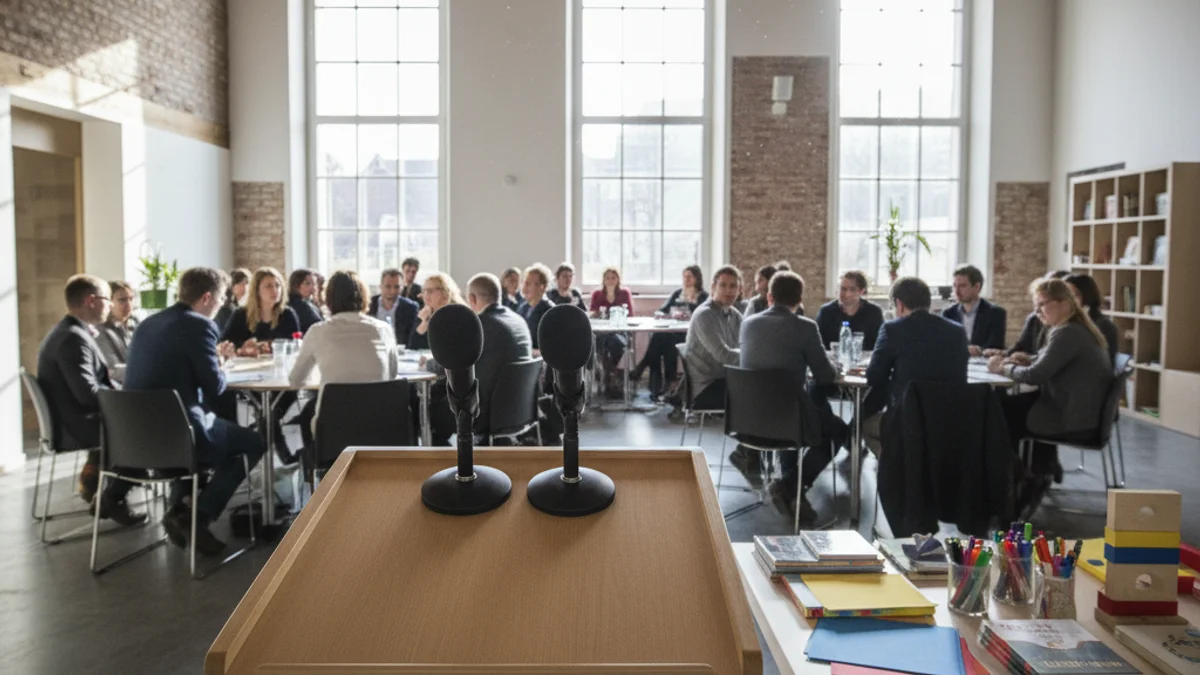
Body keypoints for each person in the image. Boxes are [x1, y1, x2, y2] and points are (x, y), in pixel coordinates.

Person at [124, 267, 264, 555]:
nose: (224, 304)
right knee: (254, 442)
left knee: (193, 430)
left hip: (135, 438)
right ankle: (198, 517)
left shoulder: (147, 323)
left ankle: (179, 510)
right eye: (223, 298)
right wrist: (222, 364)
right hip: (182, 434)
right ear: (206, 297)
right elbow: (214, 387)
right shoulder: (199, 326)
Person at [36, 275, 146, 525]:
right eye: (108, 300)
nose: (110, 307)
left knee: (143, 424)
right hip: (78, 424)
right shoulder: (72, 339)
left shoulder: (70, 332)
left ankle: (101, 485)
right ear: (91, 301)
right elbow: (87, 394)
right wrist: (129, 402)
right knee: (149, 434)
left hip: (71, 418)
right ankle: (111, 498)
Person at [738, 271, 843, 522]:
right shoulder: (805, 327)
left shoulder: (748, 323)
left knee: (796, 410)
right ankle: (791, 485)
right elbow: (825, 376)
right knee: (839, 430)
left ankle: (790, 488)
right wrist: (834, 366)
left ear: (769, 296)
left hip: (747, 420)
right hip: (787, 420)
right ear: (800, 299)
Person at [988, 279, 1112, 489]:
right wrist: (1029, 358)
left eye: (1042, 304)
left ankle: (1013, 481)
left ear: (1064, 303)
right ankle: (1031, 471)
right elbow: (1050, 361)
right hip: (1080, 411)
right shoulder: (1074, 327)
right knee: (1004, 407)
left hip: (1069, 417)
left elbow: (1036, 376)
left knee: (996, 412)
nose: (1037, 312)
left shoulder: (1067, 333)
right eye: (1035, 307)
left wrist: (1003, 368)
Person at [290, 270, 399, 454]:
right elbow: (391, 375)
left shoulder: (318, 331)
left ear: (329, 299)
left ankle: (317, 471)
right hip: (380, 426)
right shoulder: (384, 330)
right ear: (364, 296)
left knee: (309, 412)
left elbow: (296, 381)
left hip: (334, 429)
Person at [862, 277, 969, 455]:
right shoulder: (957, 331)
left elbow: (873, 377)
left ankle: (899, 472)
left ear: (899, 304)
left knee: (864, 427)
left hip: (908, 420)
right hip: (952, 419)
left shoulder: (892, 329)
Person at [424, 273, 533, 444]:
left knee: (425, 406)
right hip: (520, 409)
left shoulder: (478, 325)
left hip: (483, 411)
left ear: (472, 299)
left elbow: (448, 362)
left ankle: (442, 464)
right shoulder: (518, 321)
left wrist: (426, 362)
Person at [632, 265, 708, 399]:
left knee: (662, 341)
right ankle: (660, 387)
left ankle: (645, 368)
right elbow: (662, 310)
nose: (686, 279)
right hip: (672, 331)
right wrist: (663, 314)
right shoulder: (677, 293)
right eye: (684, 276)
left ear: (697, 278)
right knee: (660, 339)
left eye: (689, 277)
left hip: (690, 334)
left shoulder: (703, 296)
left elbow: (701, 316)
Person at [680, 266, 743, 411]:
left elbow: (746, 346)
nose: (728, 291)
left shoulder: (735, 314)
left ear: (739, 290)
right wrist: (756, 358)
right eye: (723, 285)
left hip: (726, 379)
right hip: (706, 388)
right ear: (713, 287)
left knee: (769, 386)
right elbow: (724, 355)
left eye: (733, 286)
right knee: (762, 393)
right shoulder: (705, 315)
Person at [988, 270, 1071, 359]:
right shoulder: (1034, 319)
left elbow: (1049, 361)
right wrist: (1002, 354)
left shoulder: (1070, 329)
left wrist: (1026, 360)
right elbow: (1021, 347)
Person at [221, 267, 302, 353]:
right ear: (256, 290)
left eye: (277, 286)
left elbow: (296, 345)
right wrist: (243, 346)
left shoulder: (287, 314)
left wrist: (271, 345)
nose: (275, 290)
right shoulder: (240, 314)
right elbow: (225, 344)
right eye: (268, 286)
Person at [941, 264, 1007, 355]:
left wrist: (979, 351)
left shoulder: (995, 313)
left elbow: (996, 347)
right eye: (955, 286)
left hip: (983, 364)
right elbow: (943, 344)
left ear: (977, 287)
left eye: (962, 286)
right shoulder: (948, 313)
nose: (956, 291)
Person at [590, 266, 636, 396]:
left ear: (618, 279)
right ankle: (611, 374)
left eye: (613, 278)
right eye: (607, 278)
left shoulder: (624, 293)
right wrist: (599, 313)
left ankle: (609, 373)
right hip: (601, 332)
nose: (610, 280)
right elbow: (592, 314)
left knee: (615, 342)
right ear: (603, 280)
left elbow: (630, 314)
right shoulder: (597, 294)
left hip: (619, 331)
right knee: (602, 341)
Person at [815, 270, 884, 351]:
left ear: (861, 291)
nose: (847, 294)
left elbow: (881, 344)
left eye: (852, 289)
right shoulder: (826, 312)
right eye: (843, 289)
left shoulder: (874, 312)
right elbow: (817, 343)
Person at [1064, 273, 1119, 366]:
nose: (1067, 300)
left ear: (1087, 296)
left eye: (1074, 295)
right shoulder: (1069, 321)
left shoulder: (1102, 325)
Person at [409, 272, 467, 350]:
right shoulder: (425, 314)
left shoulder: (459, 314)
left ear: (445, 293)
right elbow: (412, 347)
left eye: (430, 291)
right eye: (424, 291)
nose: (425, 295)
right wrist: (424, 323)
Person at [95, 280, 139, 381]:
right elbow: (112, 370)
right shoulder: (101, 331)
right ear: (109, 302)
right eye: (122, 300)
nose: (129, 304)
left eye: (131, 299)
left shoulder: (135, 325)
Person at [368, 267, 420, 349]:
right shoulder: (369, 305)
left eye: (397, 287)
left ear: (402, 287)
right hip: (372, 350)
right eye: (388, 286)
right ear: (380, 286)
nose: (392, 291)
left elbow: (412, 339)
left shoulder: (410, 308)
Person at [516, 263, 555, 352]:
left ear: (542, 287)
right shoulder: (523, 308)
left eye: (528, 284)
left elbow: (551, 348)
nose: (524, 288)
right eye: (524, 283)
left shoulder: (550, 312)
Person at [286, 268, 323, 335]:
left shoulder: (311, 303)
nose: (313, 287)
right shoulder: (298, 305)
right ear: (296, 286)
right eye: (308, 283)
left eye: (314, 284)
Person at [214, 267, 250, 331]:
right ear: (232, 285)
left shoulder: (237, 305)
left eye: (246, 284)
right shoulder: (227, 307)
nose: (244, 288)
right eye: (240, 283)